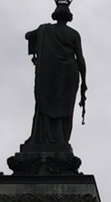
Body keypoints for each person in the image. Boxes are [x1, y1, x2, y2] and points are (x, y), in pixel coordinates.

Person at [24, 1, 87, 145]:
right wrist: (84, 81)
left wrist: (39, 41)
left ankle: (43, 137)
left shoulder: (45, 29)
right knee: (64, 107)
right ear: (69, 17)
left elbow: (28, 36)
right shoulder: (74, 34)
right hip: (68, 74)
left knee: (45, 103)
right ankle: (60, 138)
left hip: (49, 72)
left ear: (55, 15)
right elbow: (80, 58)